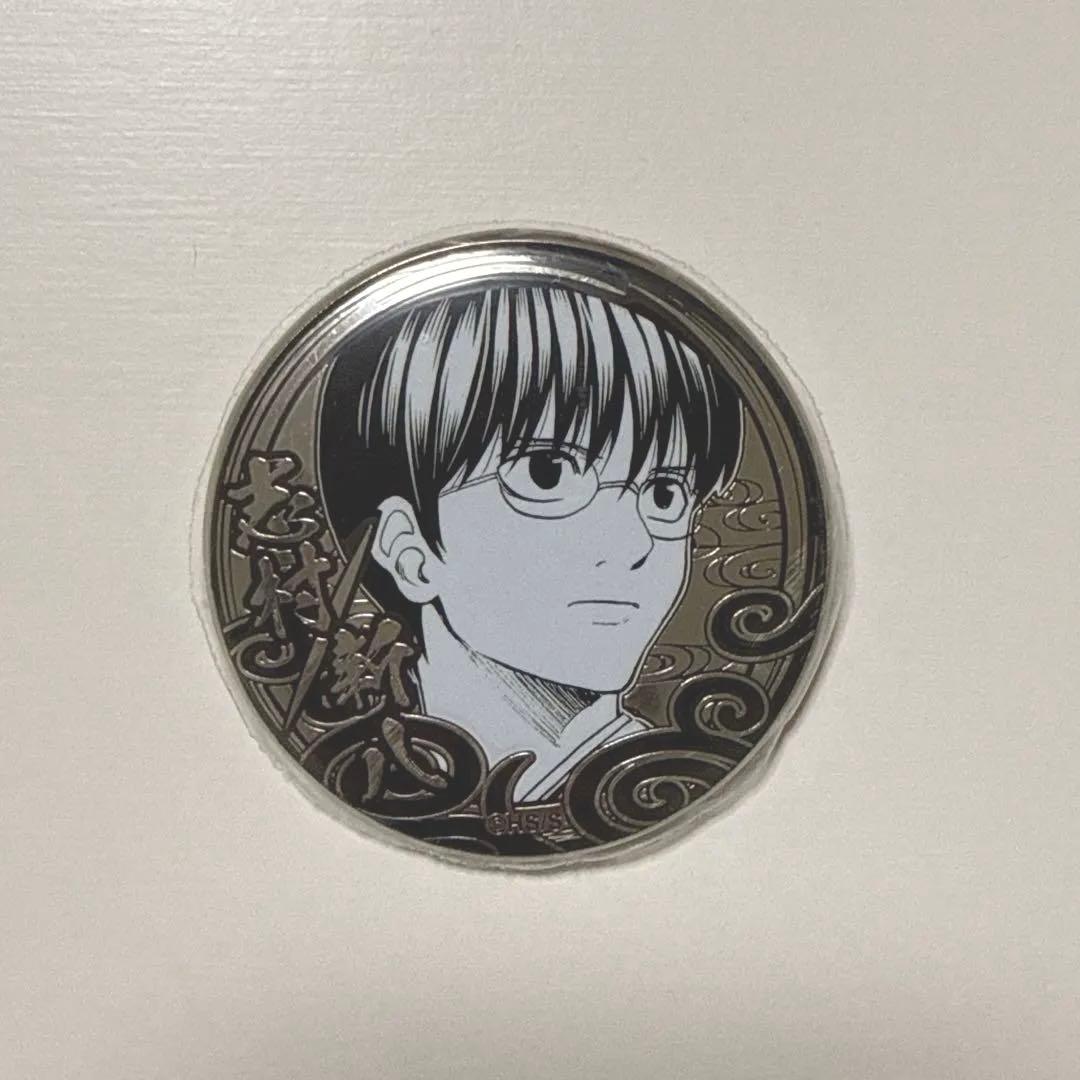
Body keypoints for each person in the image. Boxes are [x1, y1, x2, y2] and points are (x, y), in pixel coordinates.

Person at [318, 283, 742, 801]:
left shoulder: (667, 784)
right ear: (411, 553)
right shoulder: (368, 773)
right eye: (547, 473)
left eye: (664, 493)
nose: (634, 544)